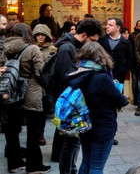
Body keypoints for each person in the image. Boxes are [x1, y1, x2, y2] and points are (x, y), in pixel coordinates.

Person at [51, 18, 103, 174]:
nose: (93, 44)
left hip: (76, 102)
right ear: (84, 35)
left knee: (75, 142)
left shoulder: (76, 47)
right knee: (70, 143)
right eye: (92, 40)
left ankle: (72, 169)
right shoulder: (67, 48)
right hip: (69, 103)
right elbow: (68, 77)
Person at [67, 42, 128, 174]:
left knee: (86, 162)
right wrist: (124, 100)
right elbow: (119, 100)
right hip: (103, 126)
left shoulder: (77, 73)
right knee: (97, 167)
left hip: (84, 124)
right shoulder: (102, 78)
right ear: (102, 57)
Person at [1, 23, 51, 173]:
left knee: (12, 130)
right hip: (31, 94)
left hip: (11, 94)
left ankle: (14, 163)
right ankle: (34, 166)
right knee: (33, 132)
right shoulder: (33, 48)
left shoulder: (6, 48)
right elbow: (39, 73)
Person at [32, 24, 57, 146]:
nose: (40, 37)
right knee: (34, 113)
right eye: (38, 35)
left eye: (43, 35)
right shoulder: (31, 48)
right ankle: (35, 134)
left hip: (47, 85)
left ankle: (40, 133)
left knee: (43, 112)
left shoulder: (53, 50)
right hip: (34, 84)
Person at [98, 17, 133, 85]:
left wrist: (123, 69)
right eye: (107, 24)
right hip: (103, 73)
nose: (107, 27)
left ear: (118, 28)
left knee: (117, 93)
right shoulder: (102, 40)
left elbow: (130, 58)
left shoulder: (126, 43)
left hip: (119, 76)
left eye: (110, 25)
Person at [128, 20, 140, 106]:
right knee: (135, 83)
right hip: (134, 63)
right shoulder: (132, 35)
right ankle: (136, 99)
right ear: (136, 26)